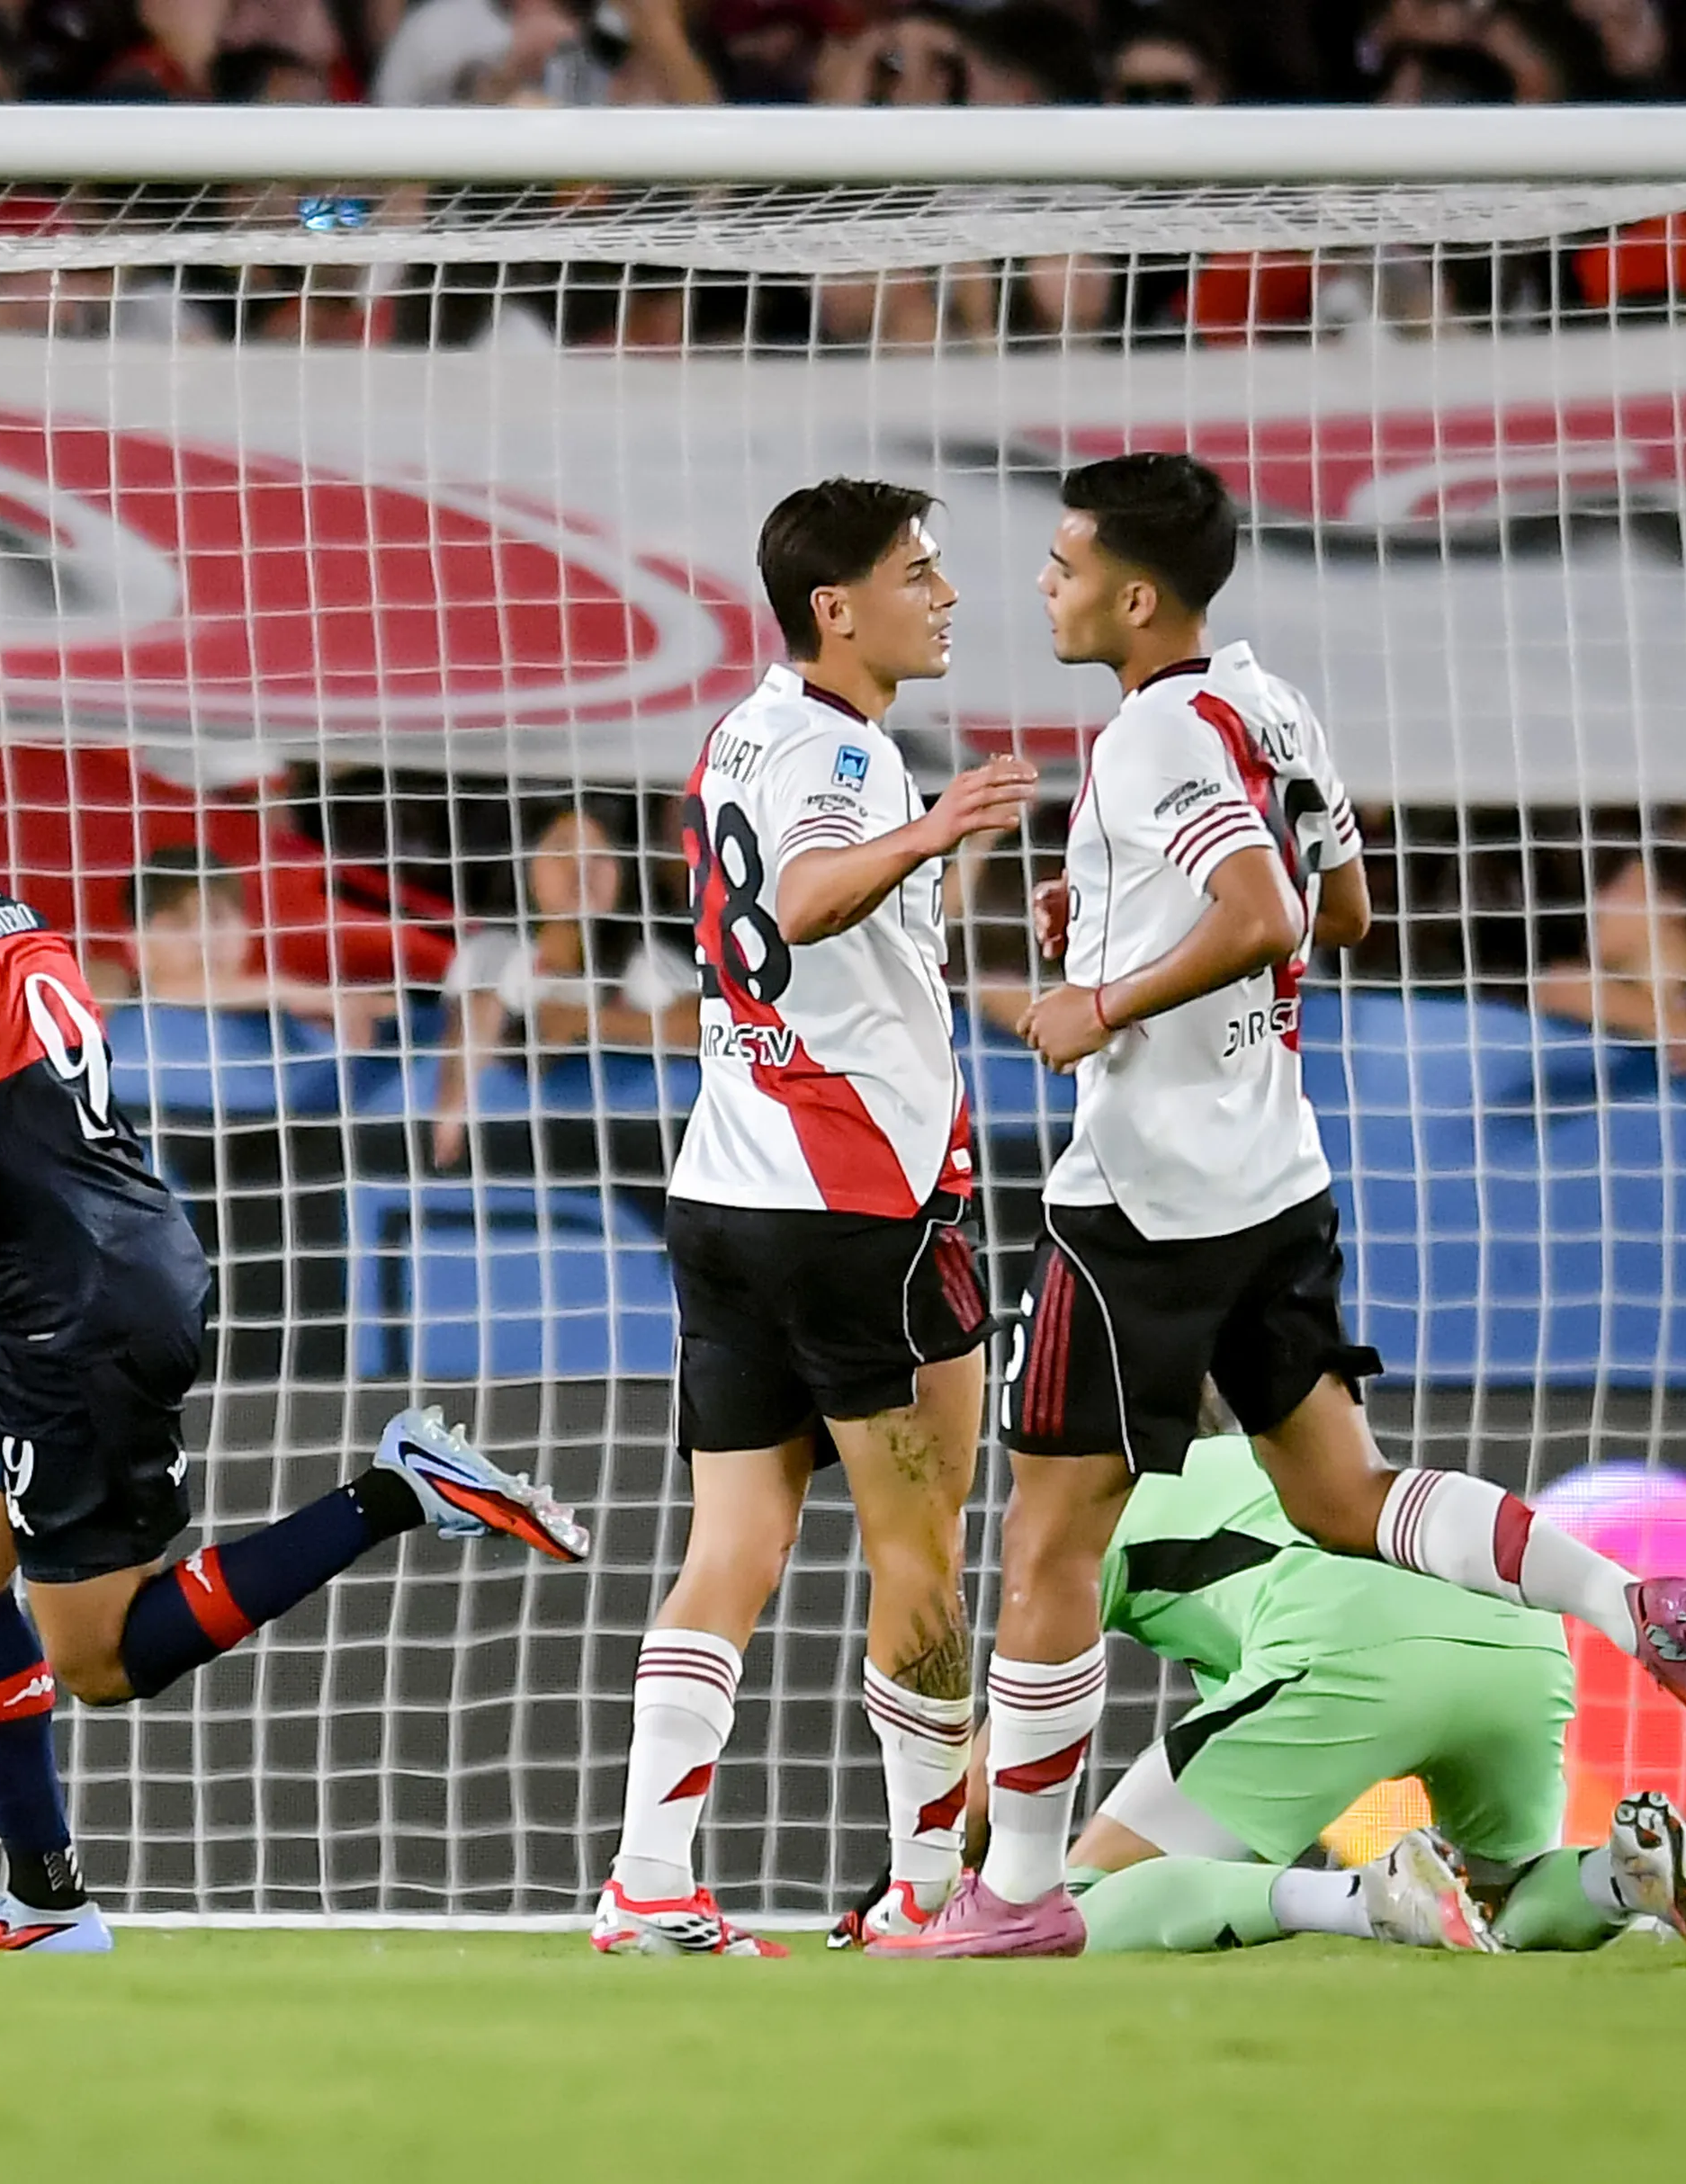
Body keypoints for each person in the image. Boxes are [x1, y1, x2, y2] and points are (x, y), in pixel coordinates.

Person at [874, 452, 1686, 1960]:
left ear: (1136, 597)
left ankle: (1013, 1896)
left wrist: (1103, 995)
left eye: (1066, 562)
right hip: (1276, 1178)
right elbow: (1341, 908)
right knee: (1341, 1495)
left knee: (1047, 1544)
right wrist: (1115, 921)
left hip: (1147, 1202)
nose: (1043, 582)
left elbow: (1267, 911)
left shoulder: (1154, 733)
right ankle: (1635, 1605)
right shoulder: (1269, 704)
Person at [0, 692, 589, 1954]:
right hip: (98, 1269)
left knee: (102, 1660)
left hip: (73, 1310)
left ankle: (396, 1490)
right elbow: (2, 1098)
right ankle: (42, 1898)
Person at [589, 479, 1040, 1956]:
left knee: (732, 1544)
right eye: (920, 572)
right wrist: (928, 834)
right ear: (836, 607)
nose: (947, 595)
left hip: (728, 1187)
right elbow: (803, 896)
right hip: (856, 1206)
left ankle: (648, 1879)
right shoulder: (845, 751)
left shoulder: (743, 730)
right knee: (921, 1548)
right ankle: (926, 1891)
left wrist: (935, 873)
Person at [839, 1434, 1686, 1960]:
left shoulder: (1089, 1506)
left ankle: (1363, 1897)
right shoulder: (1289, 1459)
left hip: (1347, 1644)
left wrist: (923, 1889)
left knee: (1060, 1908)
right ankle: (1620, 1876)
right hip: (1518, 1634)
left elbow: (1003, 1755)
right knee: (1506, 1891)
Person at [431, 800, 702, 1168]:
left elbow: (701, 1024)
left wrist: (584, 1023)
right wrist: (452, 1111)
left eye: (600, 855)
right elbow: (473, 1023)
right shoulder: (496, 953)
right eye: (561, 849)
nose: (582, 869)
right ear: (526, 862)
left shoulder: (643, 961)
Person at [1531, 824, 1686, 1113]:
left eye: (1615, 884)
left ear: (1673, 903)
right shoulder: (1587, 1015)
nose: (1594, 902)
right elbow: (1558, 985)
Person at [121, 845, 387, 1044]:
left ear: (246, 930)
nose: (203, 939)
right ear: (136, 947)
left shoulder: (293, 1020)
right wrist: (293, 993)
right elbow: (163, 991)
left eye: (218, 919)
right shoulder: (115, 1014)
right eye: (178, 925)